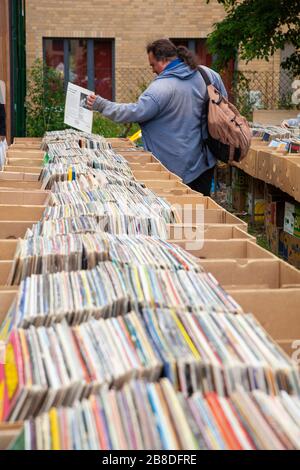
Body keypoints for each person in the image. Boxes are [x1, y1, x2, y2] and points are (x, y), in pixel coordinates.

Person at [87, 39, 227, 196]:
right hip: (205, 162)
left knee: (177, 214)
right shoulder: (208, 75)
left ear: (164, 60)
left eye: (153, 65)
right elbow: (223, 105)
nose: (153, 70)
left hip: (174, 167)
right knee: (198, 213)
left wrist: (101, 105)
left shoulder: (161, 88)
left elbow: (133, 112)